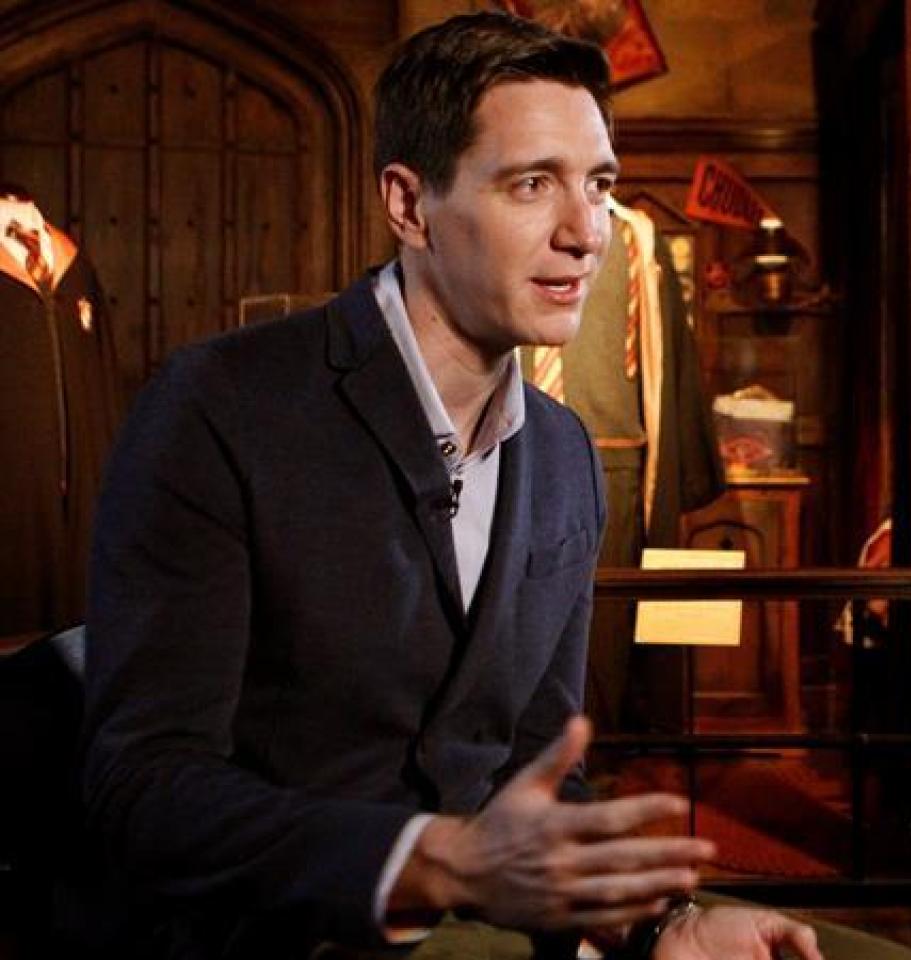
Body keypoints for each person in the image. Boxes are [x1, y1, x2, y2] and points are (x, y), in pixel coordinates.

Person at [78, 13, 819, 959]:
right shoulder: (218, 404)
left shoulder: (564, 452)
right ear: (409, 204)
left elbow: (537, 775)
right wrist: (433, 863)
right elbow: (142, 788)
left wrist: (659, 924)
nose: (586, 233)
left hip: (501, 929)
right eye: (532, 184)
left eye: (598, 184)